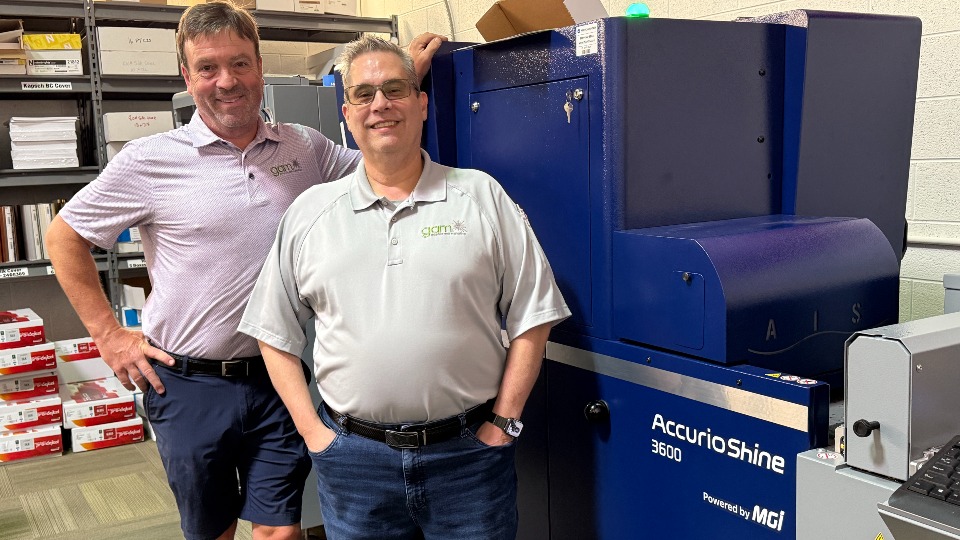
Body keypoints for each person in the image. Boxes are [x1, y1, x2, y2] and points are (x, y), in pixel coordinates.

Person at [45, 1, 444, 538]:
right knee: (213, 530)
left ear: (259, 67)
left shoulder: (303, 147)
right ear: (187, 76)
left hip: (278, 378)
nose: (226, 81)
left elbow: (383, 164)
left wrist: (399, 82)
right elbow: (63, 236)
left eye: (239, 63)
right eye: (208, 68)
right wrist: (109, 335)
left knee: (280, 530)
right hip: (188, 384)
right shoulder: (148, 159)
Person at [238, 35, 571, 539]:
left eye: (395, 89)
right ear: (347, 113)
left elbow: (534, 314)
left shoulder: (480, 196)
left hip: (468, 461)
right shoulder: (310, 214)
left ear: (421, 103)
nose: (380, 105)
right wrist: (314, 433)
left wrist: (503, 423)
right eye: (364, 94)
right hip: (354, 465)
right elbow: (273, 331)